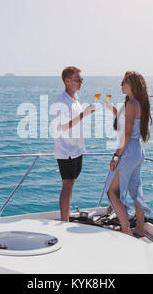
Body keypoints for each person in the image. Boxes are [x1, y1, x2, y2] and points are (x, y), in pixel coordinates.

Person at [104, 71, 152, 236]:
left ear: (131, 85)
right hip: (137, 151)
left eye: (123, 82)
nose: (121, 84)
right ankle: (139, 227)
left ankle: (126, 230)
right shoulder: (137, 103)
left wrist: (116, 155)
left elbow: (127, 133)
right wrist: (114, 111)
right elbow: (129, 123)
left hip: (129, 151)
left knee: (112, 192)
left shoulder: (132, 104)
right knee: (134, 191)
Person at [54, 66, 96, 222]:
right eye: (78, 79)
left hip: (76, 149)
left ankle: (66, 216)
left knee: (71, 183)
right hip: (66, 150)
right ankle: (64, 220)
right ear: (67, 81)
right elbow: (63, 126)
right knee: (67, 184)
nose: (81, 82)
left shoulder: (75, 100)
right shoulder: (61, 101)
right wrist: (84, 113)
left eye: (81, 79)